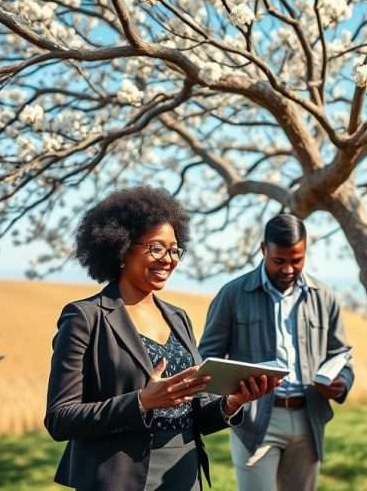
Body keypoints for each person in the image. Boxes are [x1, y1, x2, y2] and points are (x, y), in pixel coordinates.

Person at [44, 187, 278, 491]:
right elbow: (60, 419)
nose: (168, 259)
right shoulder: (85, 318)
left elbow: (194, 414)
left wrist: (233, 402)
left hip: (183, 473)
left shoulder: (178, 317)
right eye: (156, 248)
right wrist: (142, 402)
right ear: (121, 247)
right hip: (117, 477)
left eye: (174, 250)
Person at [198, 213, 354, 491]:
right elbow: (206, 359)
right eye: (279, 260)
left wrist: (340, 382)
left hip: (309, 420)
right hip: (254, 421)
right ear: (263, 250)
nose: (288, 269)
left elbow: (341, 354)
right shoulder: (232, 294)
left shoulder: (324, 296)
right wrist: (226, 401)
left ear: (305, 251)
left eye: (297, 260)